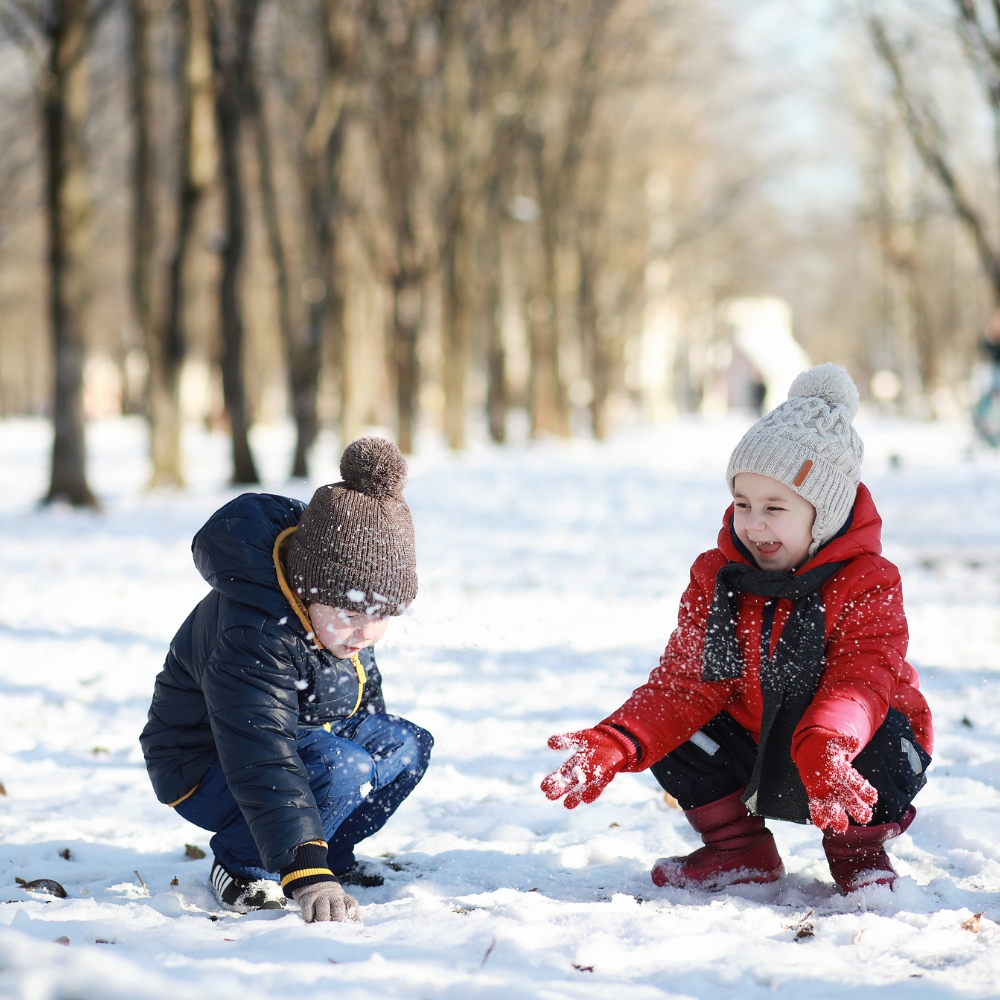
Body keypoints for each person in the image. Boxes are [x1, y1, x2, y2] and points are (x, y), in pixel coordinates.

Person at [541, 364, 933, 894]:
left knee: (881, 735)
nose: (753, 523)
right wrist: (618, 740)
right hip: (755, 734)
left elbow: (861, 680)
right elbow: (686, 681)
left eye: (775, 507)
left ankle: (857, 854)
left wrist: (827, 744)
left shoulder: (868, 582)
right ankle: (739, 850)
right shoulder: (719, 577)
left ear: (825, 513)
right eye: (743, 503)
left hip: (845, 745)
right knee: (675, 729)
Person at [140, 437, 432, 921]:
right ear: (308, 588)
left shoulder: (340, 620)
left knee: (402, 745)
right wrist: (305, 871)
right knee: (345, 766)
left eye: (382, 615)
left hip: (299, 742)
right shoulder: (254, 632)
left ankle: (331, 854)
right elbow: (261, 754)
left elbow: (362, 705)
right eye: (351, 614)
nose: (366, 632)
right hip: (209, 764)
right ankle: (243, 866)